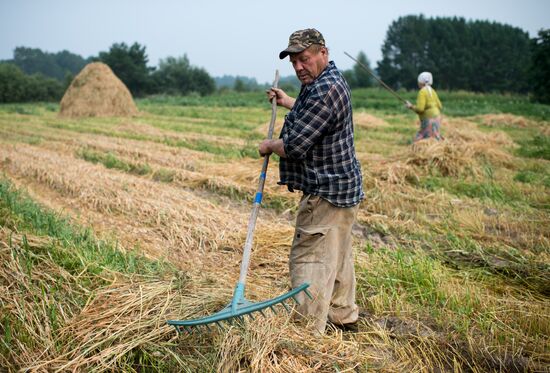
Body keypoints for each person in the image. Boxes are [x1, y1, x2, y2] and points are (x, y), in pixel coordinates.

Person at [258, 28, 364, 335]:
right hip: (342, 187)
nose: (299, 67)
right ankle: (344, 317)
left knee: (311, 259)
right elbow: (312, 112)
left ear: (323, 53)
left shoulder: (324, 90)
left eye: (304, 59)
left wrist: (269, 146)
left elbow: (294, 146)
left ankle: (306, 333)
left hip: (325, 191)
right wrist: (287, 100)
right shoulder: (323, 82)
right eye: (294, 62)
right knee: (338, 254)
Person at [405, 72, 443, 142]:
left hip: (428, 119)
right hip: (437, 118)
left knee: (420, 139)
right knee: (435, 137)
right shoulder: (433, 91)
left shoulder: (422, 92)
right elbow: (440, 106)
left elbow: (420, 109)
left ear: (420, 82)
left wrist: (410, 106)